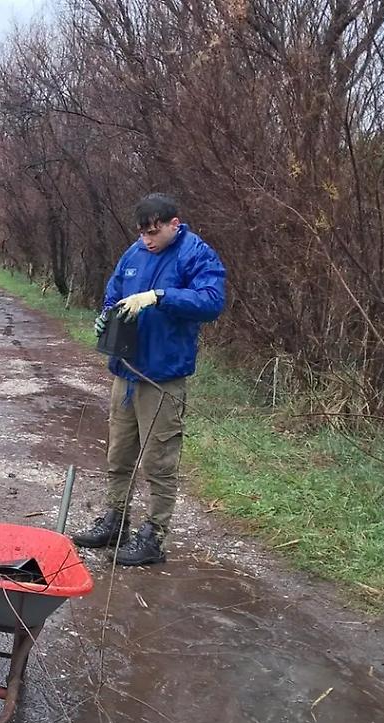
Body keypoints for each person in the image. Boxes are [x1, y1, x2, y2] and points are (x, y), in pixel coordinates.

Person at [73, 193, 226, 565]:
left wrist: (161, 296)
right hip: (126, 371)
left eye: (154, 232)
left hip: (163, 375)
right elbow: (113, 292)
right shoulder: (134, 253)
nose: (147, 240)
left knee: (158, 461)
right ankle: (116, 519)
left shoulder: (196, 254)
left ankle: (154, 536)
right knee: (119, 452)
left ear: (174, 224)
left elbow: (211, 302)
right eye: (142, 233)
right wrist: (106, 317)